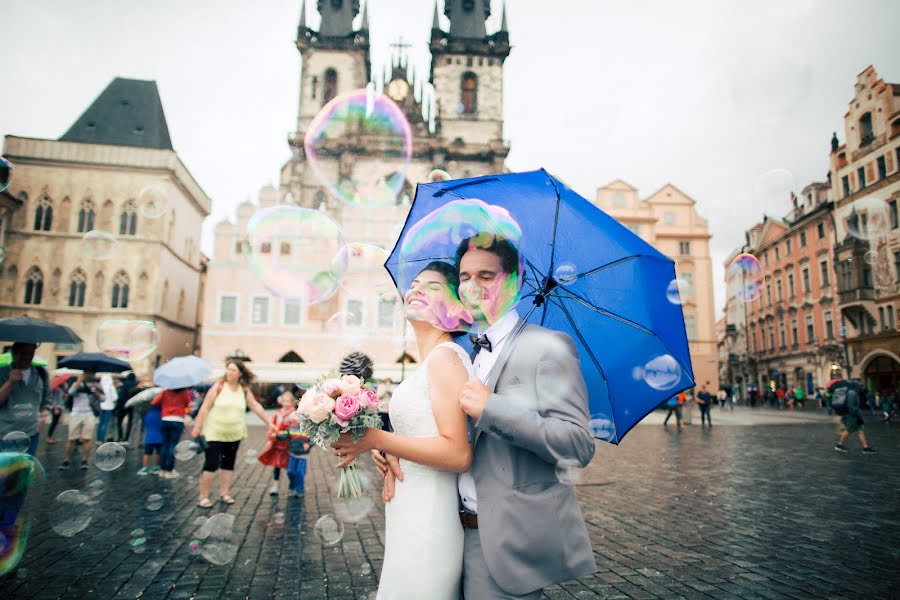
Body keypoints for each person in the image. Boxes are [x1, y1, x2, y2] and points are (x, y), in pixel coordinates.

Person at [355, 227, 597, 598]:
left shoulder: (546, 346)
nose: (472, 286)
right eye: (464, 277)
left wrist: (492, 409)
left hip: (506, 539)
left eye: (486, 276)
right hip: (450, 528)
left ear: (513, 281)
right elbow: (447, 435)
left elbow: (578, 445)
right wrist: (394, 449)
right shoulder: (464, 354)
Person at [332, 261, 475, 599]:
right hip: (409, 510)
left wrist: (377, 438)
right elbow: (424, 434)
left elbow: (458, 453)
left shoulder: (444, 358)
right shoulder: (428, 363)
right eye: (414, 283)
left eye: (433, 286)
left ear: (456, 309)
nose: (416, 289)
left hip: (429, 516)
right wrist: (391, 448)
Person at [191, 360, 273, 507]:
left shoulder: (244, 389)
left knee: (228, 464)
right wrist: (197, 427)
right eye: (228, 369)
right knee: (211, 464)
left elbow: (255, 406)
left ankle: (224, 493)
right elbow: (204, 407)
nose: (229, 372)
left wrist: (269, 423)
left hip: (234, 434)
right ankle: (203, 496)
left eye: (233, 370)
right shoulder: (219, 386)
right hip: (214, 432)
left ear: (240, 373)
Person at [0, 342, 51, 455]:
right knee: (6, 472)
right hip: (5, 434)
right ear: (14, 353)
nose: (27, 356)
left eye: (30, 353)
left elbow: (47, 399)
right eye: (23, 353)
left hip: (31, 434)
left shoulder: (41, 373)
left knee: (26, 471)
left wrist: (44, 414)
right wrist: (10, 382)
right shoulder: (2, 372)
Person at [257, 391, 296, 496]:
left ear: (293, 402)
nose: (286, 403)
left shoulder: (294, 414)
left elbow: (295, 429)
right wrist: (270, 439)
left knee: (290, 467)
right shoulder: (278, 413)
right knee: (277, 464)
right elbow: (273, 427)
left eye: (288, 401)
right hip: (278, 444)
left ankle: (292, 486)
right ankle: (275, 485)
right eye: (284, 401)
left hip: (289, 444)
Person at [61, 372, 102, 469]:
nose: (89, 375)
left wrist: (95, 391)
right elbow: (70, 392)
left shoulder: (95, 385)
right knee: (71, 439)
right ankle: (66, 460)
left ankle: (85, 461)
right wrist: (79, 380)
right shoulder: (76, 383)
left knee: (87, 439)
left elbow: (103, 398)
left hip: (89, 414)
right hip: (76, 414)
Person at [151, 387, 192, 478]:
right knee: (173, 445)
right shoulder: (184, 392)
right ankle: (169, 470)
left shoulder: (165, 392)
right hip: (178, 420)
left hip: (165, 420)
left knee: (164, 445)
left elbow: (154, 403)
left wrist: (164, 405)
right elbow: (189, 405)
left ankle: (162, 469)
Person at [830, 375, 876, 454]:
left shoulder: (852, 392)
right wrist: (857, 417)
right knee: (849, 430)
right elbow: (851, 407)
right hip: (852, 415)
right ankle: (839, 445)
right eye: (860, 385)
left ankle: (866, 447)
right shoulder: (852, 392)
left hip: (852, 414)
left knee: (860, 430)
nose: (861, 387)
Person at [137, 402, 163, 476]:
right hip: (160, 437)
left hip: (149, 437)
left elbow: (145, 425)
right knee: (158, 453)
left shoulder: (148, 415)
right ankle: (157, 467)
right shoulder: (162, 414)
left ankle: (145, 468)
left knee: (147, 453)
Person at [286, 421, 310, 497]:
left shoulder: (309, 429)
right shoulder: (292, 427)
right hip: (293, 454)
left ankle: (300, 490)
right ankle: (292, 487)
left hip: (303, 456)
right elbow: (286, 435)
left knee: (299, 472)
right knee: (290, 472)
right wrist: (277, 436)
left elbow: (315, 439)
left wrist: (309, 444)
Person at [96, 374, 118, 442]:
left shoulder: (100, 387)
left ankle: (98, 439)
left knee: (100, 423)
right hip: (109, 407)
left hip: (101, 406)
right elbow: (115, 398)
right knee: (105, 423)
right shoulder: (111, 387)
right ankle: (102, 439)